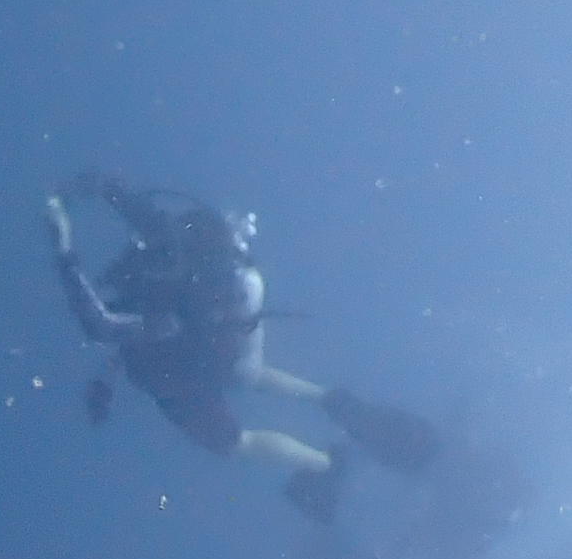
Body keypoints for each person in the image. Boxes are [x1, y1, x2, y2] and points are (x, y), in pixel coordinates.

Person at [47, 176, 443, 520]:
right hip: (238, 299)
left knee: (235, 443)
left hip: (196, 348)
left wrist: (62, 240)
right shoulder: (172, 245)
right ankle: (329, 399)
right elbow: (128, 202)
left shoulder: (159, 308)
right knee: (245, 372)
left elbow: (101, 324)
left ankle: (324, 466)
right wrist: (96, 188)